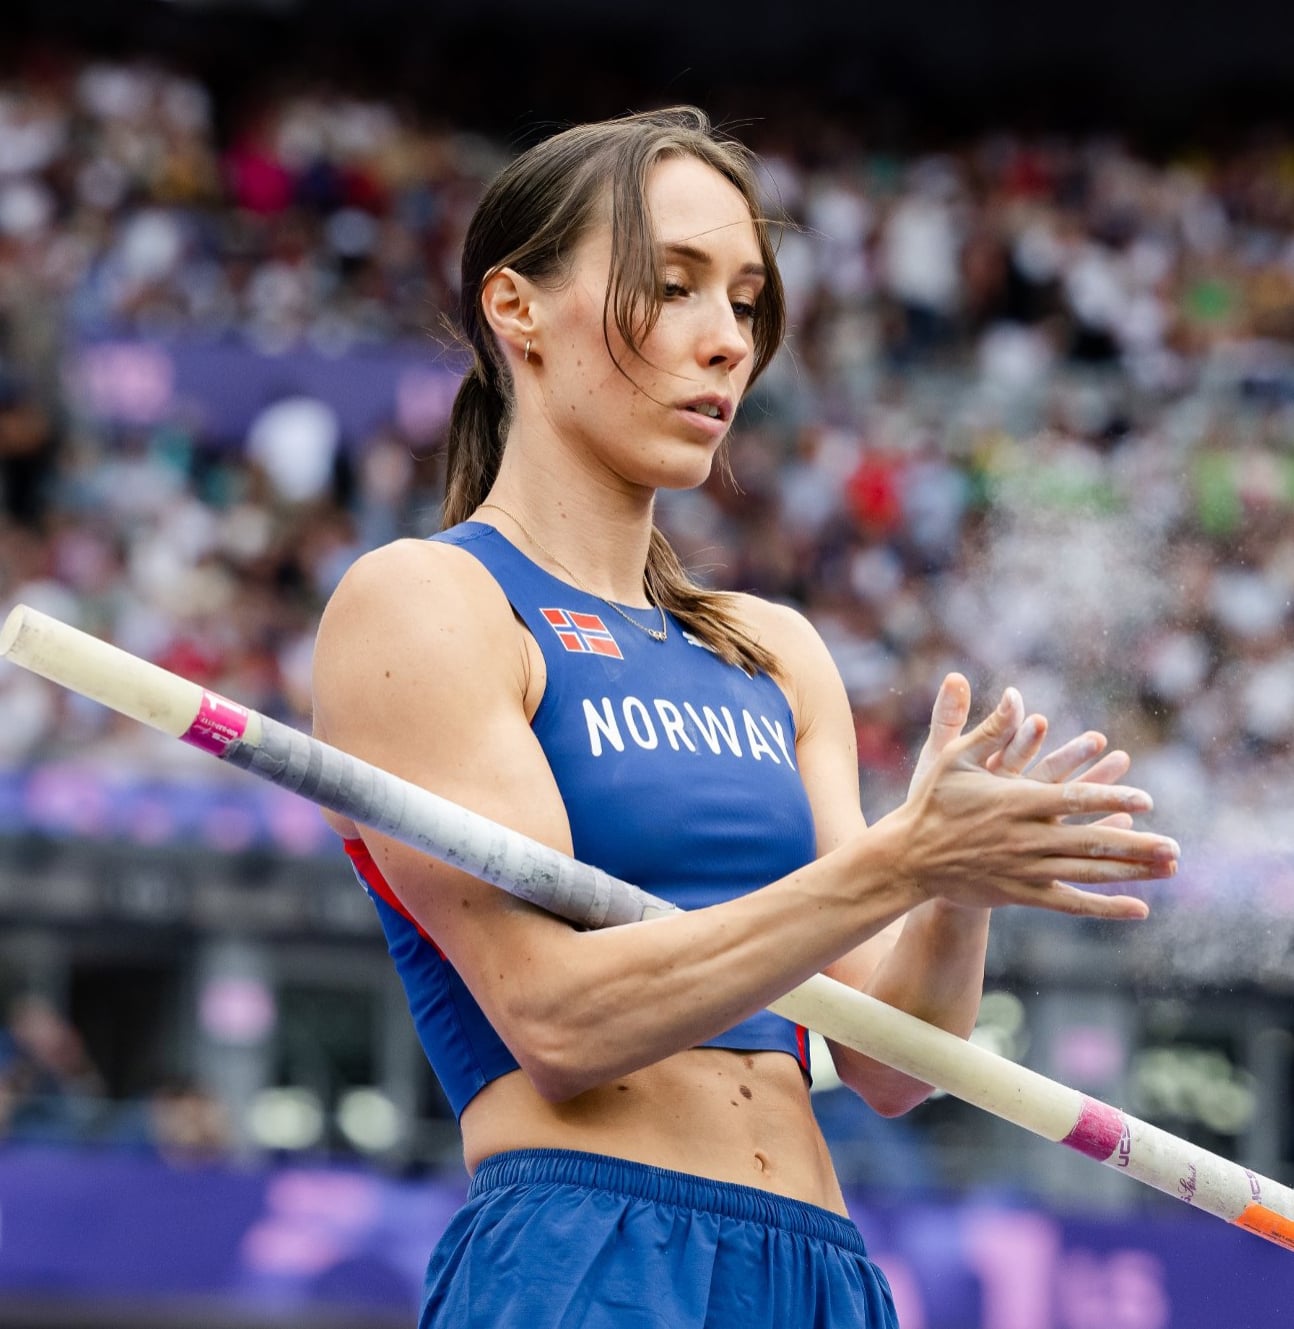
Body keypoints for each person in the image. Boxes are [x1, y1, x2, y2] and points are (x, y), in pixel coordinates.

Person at [310, 107, 1179, 1329]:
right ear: (517, 309)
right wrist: (894, 863)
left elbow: (890, 1062)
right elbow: (558, 1019)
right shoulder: (430, 601)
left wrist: (951, 885)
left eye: (746, 301)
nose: (725, 340)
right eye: (672, 287)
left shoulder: (771, 650)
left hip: (820, 1269)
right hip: (590, 1249)